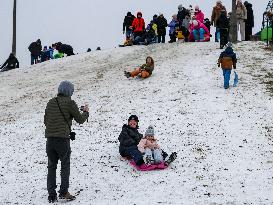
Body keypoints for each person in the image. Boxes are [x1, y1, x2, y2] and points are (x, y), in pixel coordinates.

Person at [44, 81, 89, 203]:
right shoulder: (70, 102)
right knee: (65, 165)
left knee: (51, 166)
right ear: (70, 91)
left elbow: (45, 120)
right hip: (62, 140)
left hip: (49, 140)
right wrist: (86, 112)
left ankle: (51, 194)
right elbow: (80, 120)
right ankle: (63, 191)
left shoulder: (51, 102)